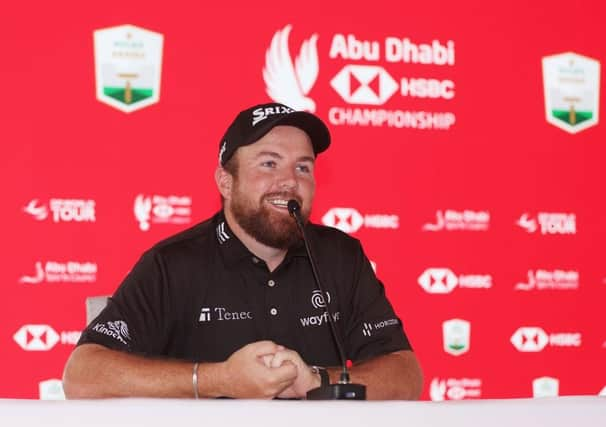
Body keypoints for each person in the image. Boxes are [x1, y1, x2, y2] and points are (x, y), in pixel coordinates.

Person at [62, 102, 423, 400]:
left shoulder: (342, 256)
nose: (290, 181)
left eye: (303, 167)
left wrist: (315, 381)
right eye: (269, 163)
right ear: (225, 182)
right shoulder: (172, 264)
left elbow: (405, 374)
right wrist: (218, 380)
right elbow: (83, 374)